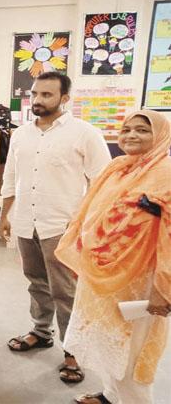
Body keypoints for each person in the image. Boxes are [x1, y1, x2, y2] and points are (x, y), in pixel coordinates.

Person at [0, 72, 111, 383]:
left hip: (63, 225)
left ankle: (74, 349)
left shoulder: (84, 133)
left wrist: (87, 225)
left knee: (66, 291)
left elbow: (102, 183)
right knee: (36, 281)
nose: (37, 100)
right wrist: (4, 216)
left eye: (47, 95)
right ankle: (41, 331)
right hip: (25, 222)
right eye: (35, 94)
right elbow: (11, 179)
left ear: (65, 98)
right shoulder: (21, 134)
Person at [56, 110, 171, 404]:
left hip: (143, 278)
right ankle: (110, 395)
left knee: (131, 349)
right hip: (102, 273)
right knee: (108, 341)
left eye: (143, 131)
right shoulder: (118, 167)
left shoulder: (166, 173)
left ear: (160, 135)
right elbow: (91, 212)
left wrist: (163, 288)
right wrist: (83, 259)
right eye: (127, 129)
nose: (132, 135)